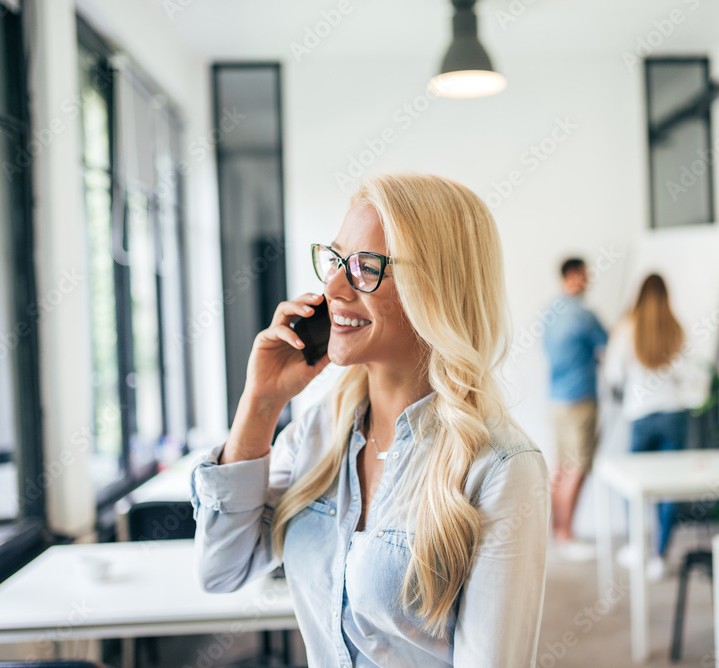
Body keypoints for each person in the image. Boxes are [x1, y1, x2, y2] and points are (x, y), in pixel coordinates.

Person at [189, 173, 550, 668]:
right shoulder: (316, 437)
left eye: (364, 268)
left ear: (437, 288)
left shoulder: (502, 468)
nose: (333, 287)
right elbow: (219, 571)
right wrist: (260, 404)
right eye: (336, 260)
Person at [603, 273, 703, 580]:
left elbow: (613, 375)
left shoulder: (626, 329)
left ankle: (636, 547)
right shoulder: (676, 328)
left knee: (631, 483)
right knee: (669, 487)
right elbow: (688, 375)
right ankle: (659, 555)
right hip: (673, 413)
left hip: (640, 414)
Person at [542, 258, 608, 555]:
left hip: (556, 399)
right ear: (574, 276)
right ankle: (566, 536)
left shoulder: (550, 312)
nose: (586, 280)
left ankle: (559, 533)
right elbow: (608, 347)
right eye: (584, 275)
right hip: (580, 399)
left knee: (562, 468)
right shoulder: (584, 315)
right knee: (578, 467)